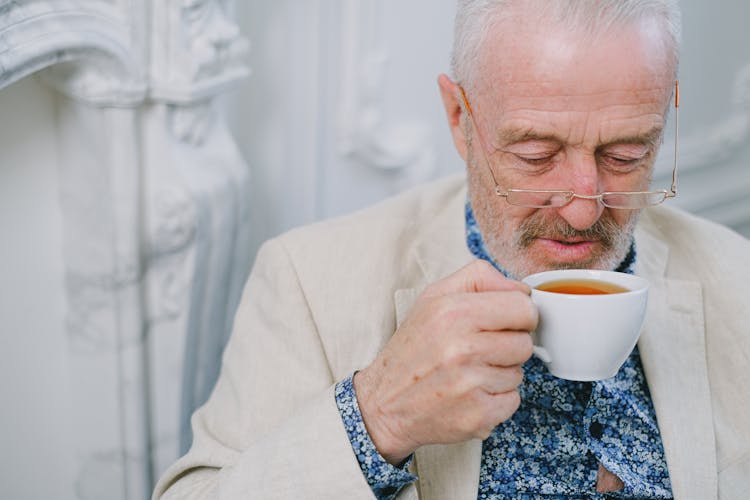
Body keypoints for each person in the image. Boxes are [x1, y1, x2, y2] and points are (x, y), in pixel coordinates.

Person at [154, 0, 750, 498]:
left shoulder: (738, 282)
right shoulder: (307, 281)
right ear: (460, 118)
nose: (582, 207)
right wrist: (379, 417)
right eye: (535, 157)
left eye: (625, 155)